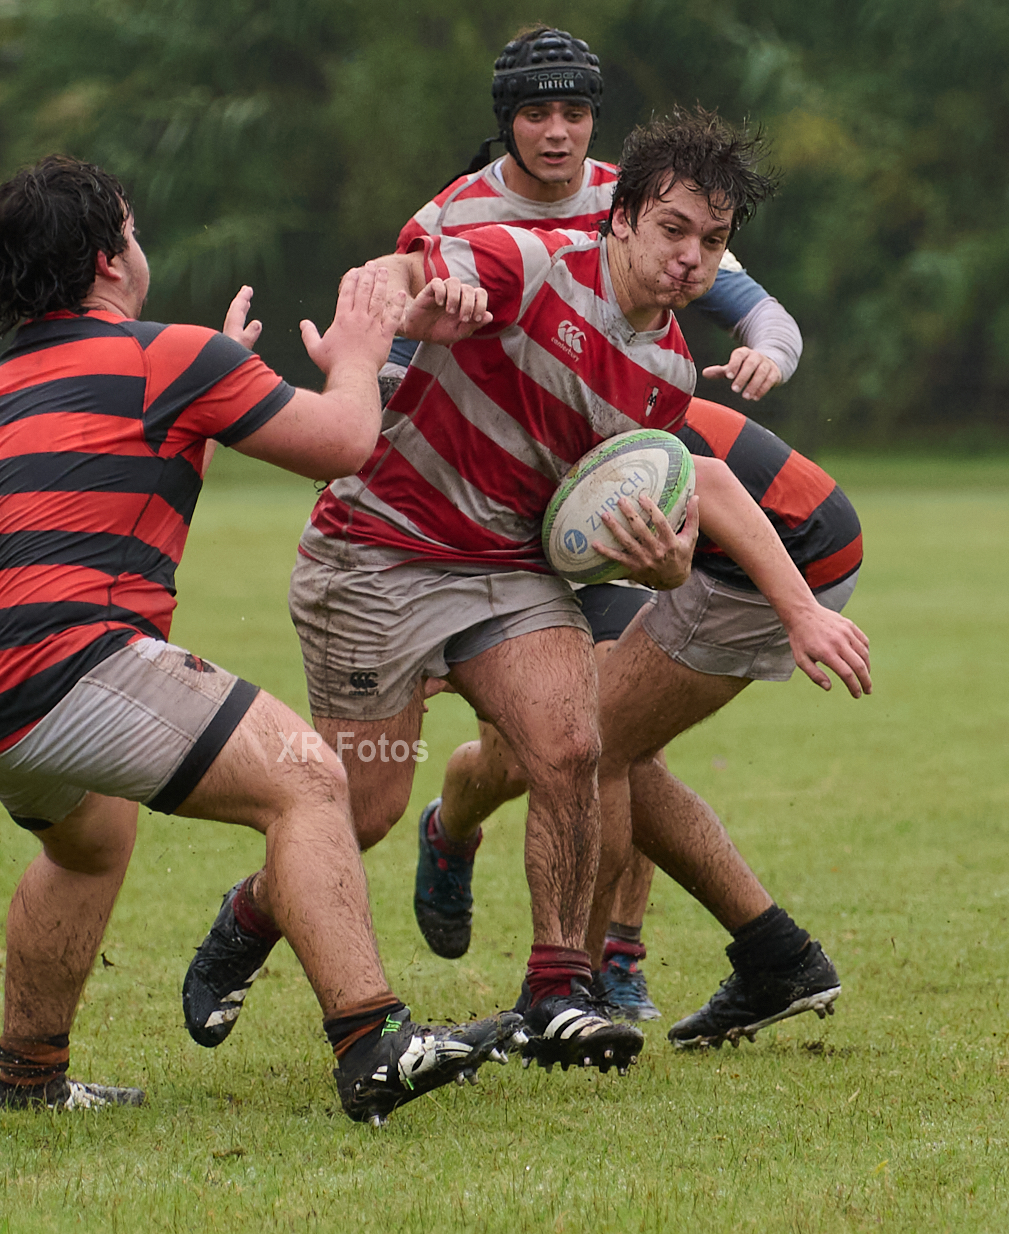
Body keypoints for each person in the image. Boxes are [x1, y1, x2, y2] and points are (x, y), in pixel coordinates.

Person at [183, 107, 864, 1073]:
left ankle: (559, 989)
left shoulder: (667, 368)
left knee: (575, 742)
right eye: (673, 230)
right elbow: (411, 273)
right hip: (379, 551)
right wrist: (409, 308)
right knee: (364, 809)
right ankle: (250, 915)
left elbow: (599, 515)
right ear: (620, 218)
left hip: (507, 568)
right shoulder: (529, 257)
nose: (690, 258)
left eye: (713, 243)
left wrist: (666, 563)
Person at [0, 155, 520, 1124]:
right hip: (64, 664)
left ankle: (28, 1078)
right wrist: (361, 353)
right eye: (133, 230)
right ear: (111, 261)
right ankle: (372, 1042)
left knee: (91, 840)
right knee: (310, 780)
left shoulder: (6, 379)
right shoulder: (171, 358)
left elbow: (116, 455)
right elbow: (340, 444)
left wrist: (216, 375)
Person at [423, 398, 868, 1046]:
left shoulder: (541, 402)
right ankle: (771, 957)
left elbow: (709, 481)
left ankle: (576, 993)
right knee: (573, 750)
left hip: (774, 547)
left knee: (589, 750)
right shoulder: (501, 412)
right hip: (779, 537)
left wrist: (800, 613)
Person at [379, 24, 804, 407]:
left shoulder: (641, 202)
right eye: (536, 114)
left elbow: (761, 313)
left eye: (575, 114)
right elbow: (397, 350)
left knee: (778, 482)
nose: (558, 132)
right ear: (507, 123)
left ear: (593, 121)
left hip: (615, 422)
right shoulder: (447, 217)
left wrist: (768, 356)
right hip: (485, 439)